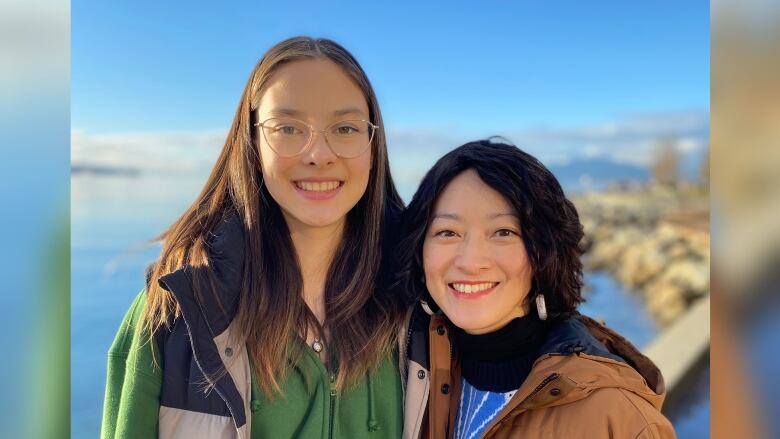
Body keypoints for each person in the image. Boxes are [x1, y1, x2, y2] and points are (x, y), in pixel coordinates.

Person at [101, 36, 407, 439]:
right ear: (252, 142)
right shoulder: (179, 312)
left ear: (373, 143)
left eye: (345, 127)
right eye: (288, 128)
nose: (318, 154)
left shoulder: (420, 303)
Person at [396, 139, 676, 438]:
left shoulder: (619, 419)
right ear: (418, 249)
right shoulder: (410, 375)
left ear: (545, 252)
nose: (470, 261)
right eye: (447, 232)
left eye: (504, 232)